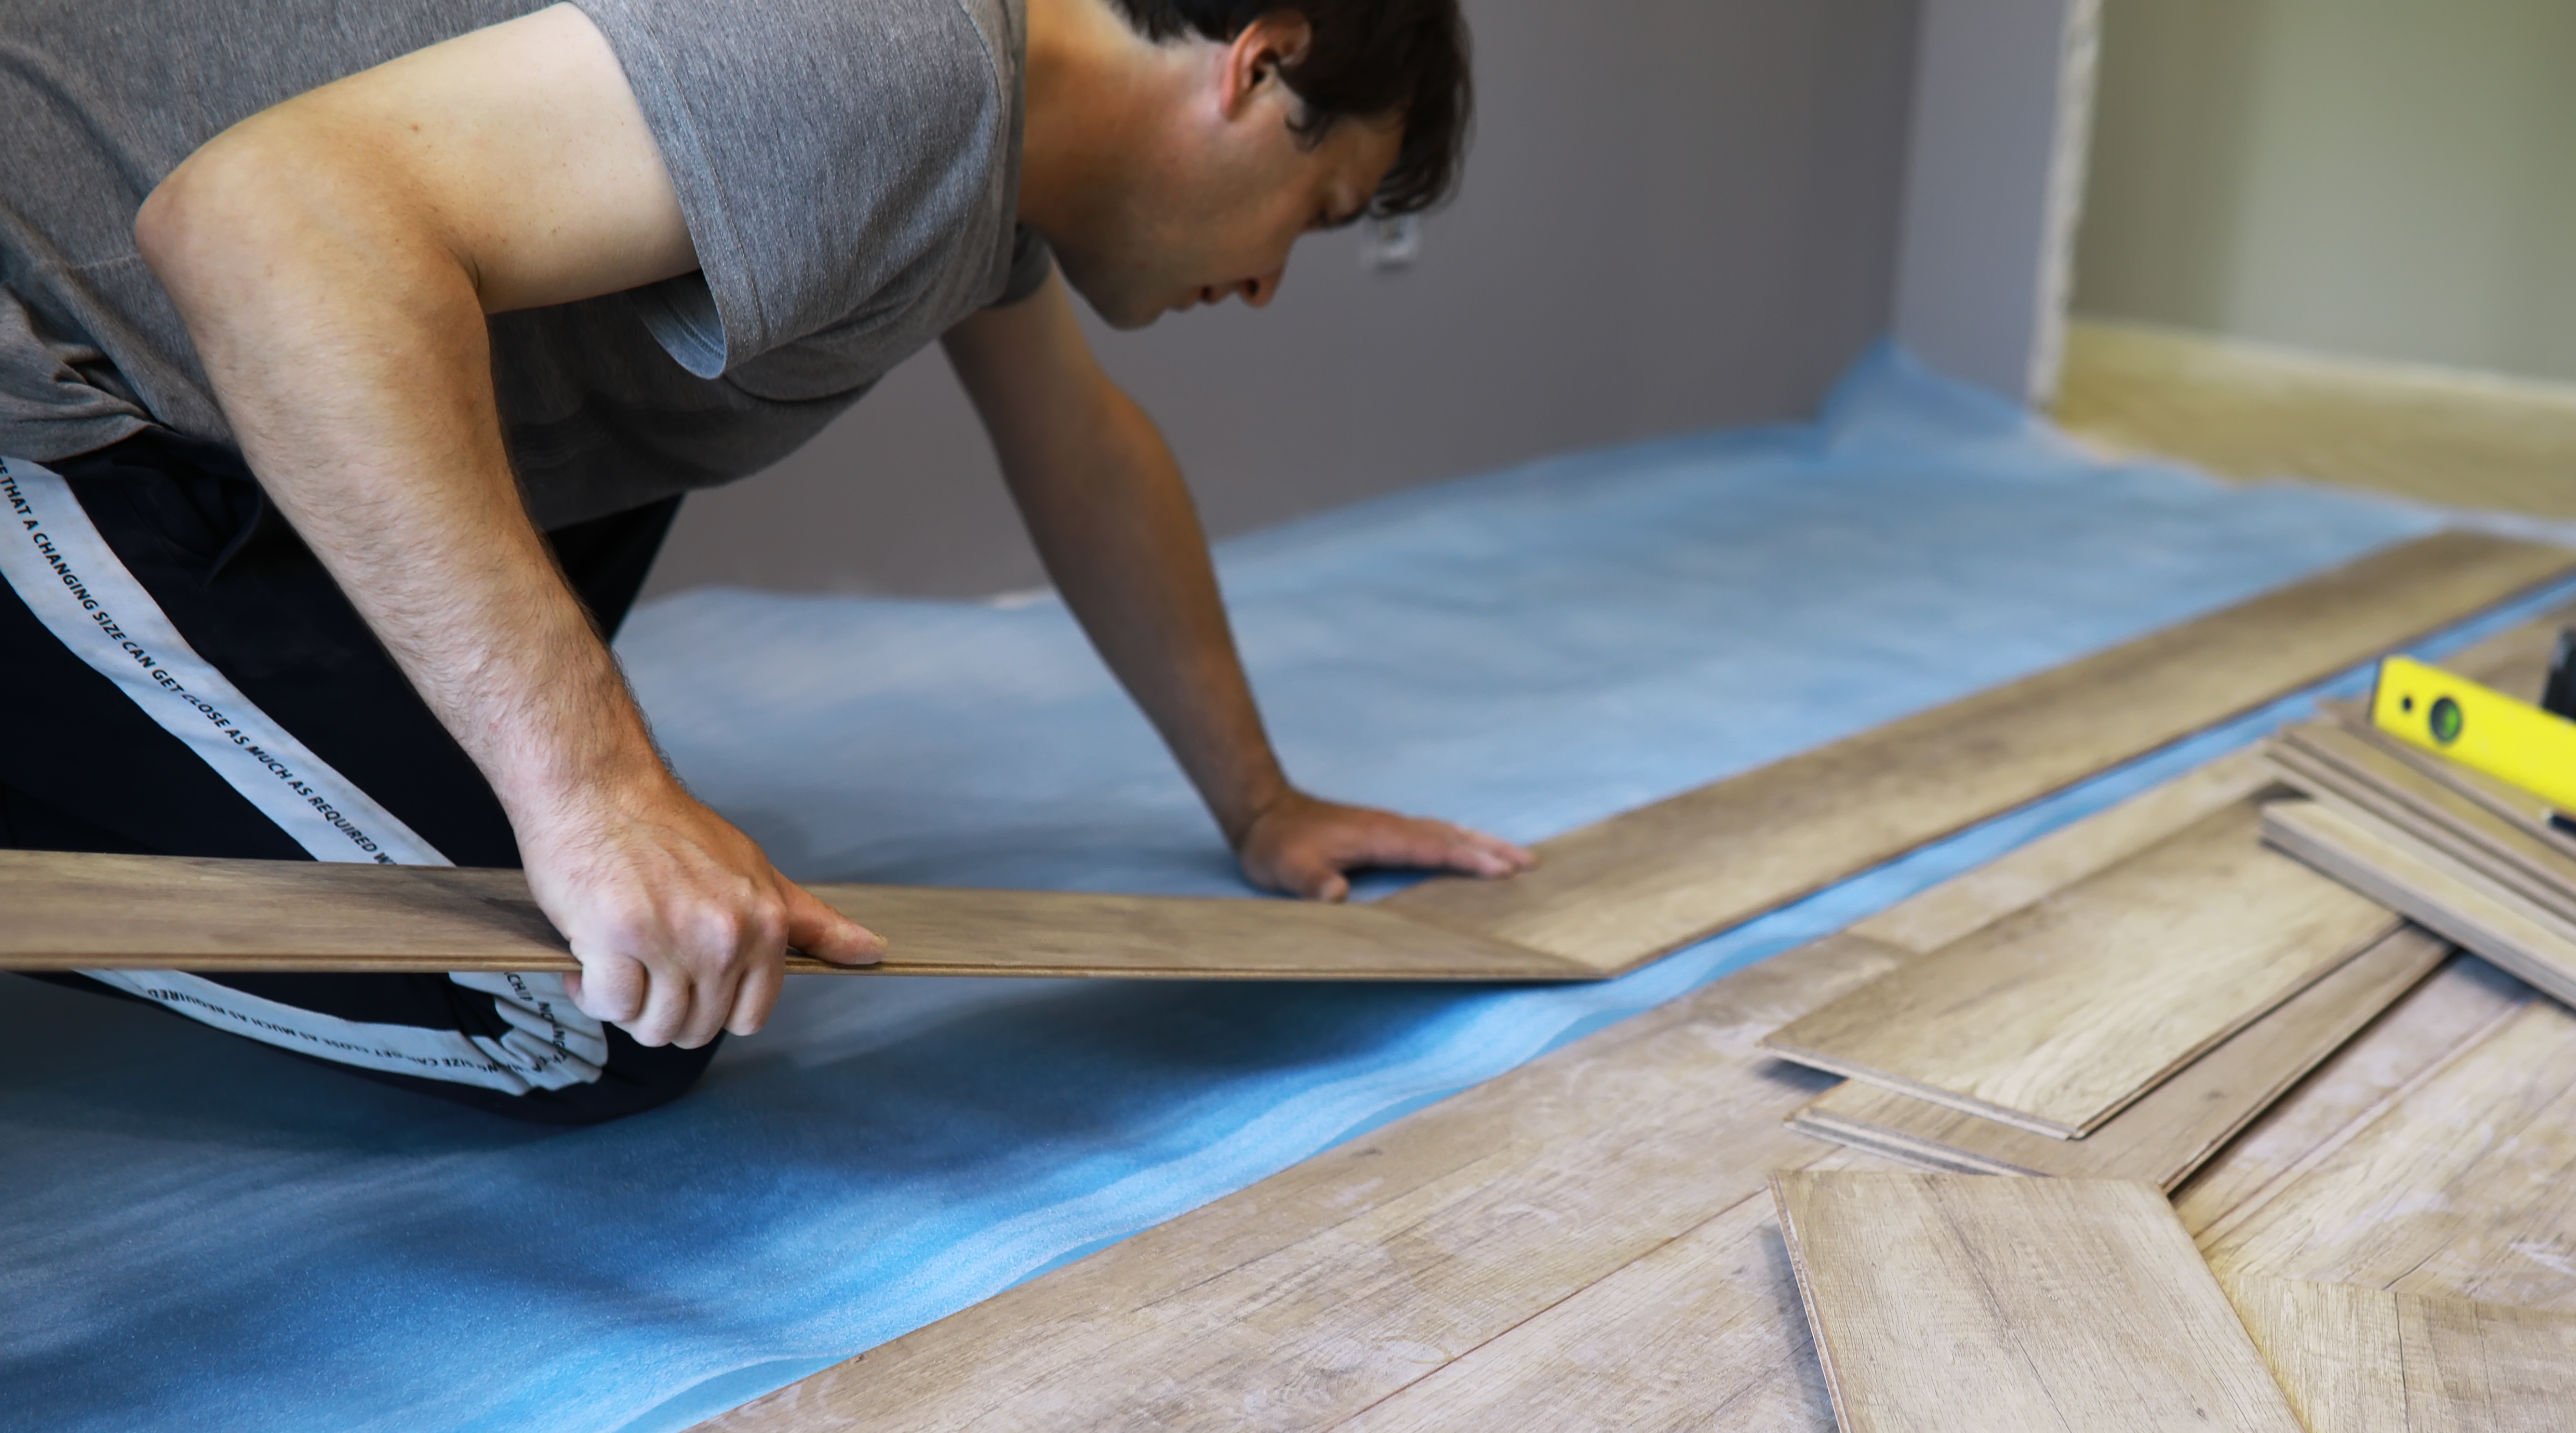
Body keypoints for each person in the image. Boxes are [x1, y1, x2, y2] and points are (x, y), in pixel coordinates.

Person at [0, 0, 1532, 1121]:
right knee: (599, 1019)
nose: (1266, 283)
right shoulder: (898, 59)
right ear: (1258, 68)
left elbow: (1083, 452)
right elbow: (262, 212)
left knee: (650, 414)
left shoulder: (988, 167)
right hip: (57, 406)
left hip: (201, 432)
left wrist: (1263, 805)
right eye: (1312, 211)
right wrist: (592, 794)